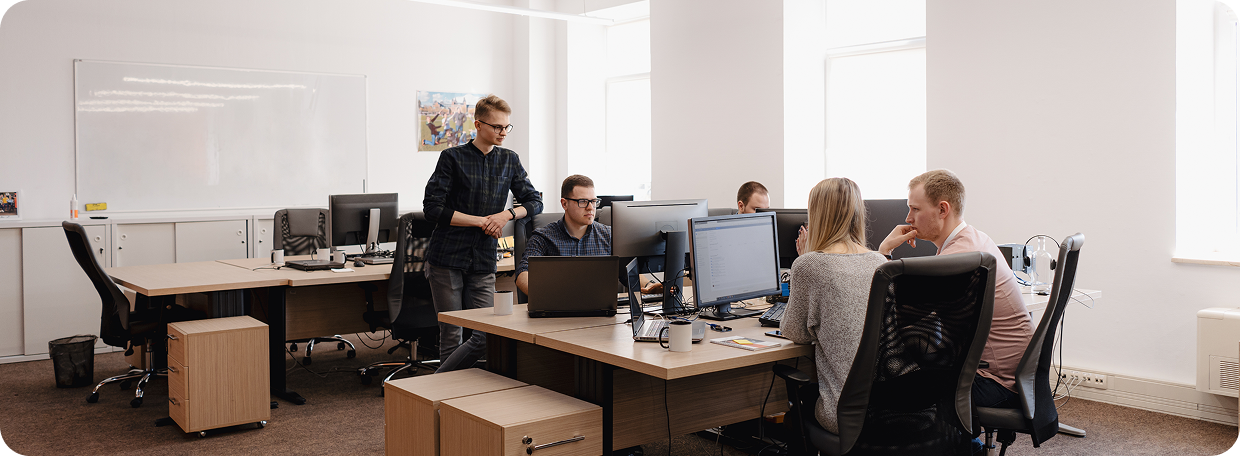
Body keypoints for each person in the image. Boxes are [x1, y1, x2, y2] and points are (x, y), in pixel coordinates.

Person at [878, 169, 1033, 409]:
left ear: (942, 209)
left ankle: (953, 444)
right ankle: (961, 444)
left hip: (996, 382)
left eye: (915, 209)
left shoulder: (961, 257)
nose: (908, 218)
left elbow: (897, 312)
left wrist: (884, 252)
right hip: (1015, 377)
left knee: (886, 389)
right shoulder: (971, 241)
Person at [422, 94, 543, 373]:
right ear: (478, 124)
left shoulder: (509, 160)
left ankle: (450, 385)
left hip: (484, 257)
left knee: (487, 331)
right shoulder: (452, 158)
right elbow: (433, 209)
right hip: (447, 256)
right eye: (497, 127)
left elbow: (535, 202)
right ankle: (445, 393)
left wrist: (506, 214)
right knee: (452, 331)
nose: (503, 133)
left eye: (507, 127)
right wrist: (480, 221)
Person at [779, 177, 887, 434]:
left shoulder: (809, 265)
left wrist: (804, 260)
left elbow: (793, 332)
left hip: (844, 414)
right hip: (892, 408)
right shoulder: (881, 262)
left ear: (817, 216)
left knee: (796, 410)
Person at [515, 174, 611, 295]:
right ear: (564, 204)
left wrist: (643, 285)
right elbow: (523, 274)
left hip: (600, 309)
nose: (590, 208)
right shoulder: (543, 237)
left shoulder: (608, 235)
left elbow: (627, 272)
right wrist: (549, 298)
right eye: (583, 202)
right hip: (558, 309)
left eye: (593, 201)